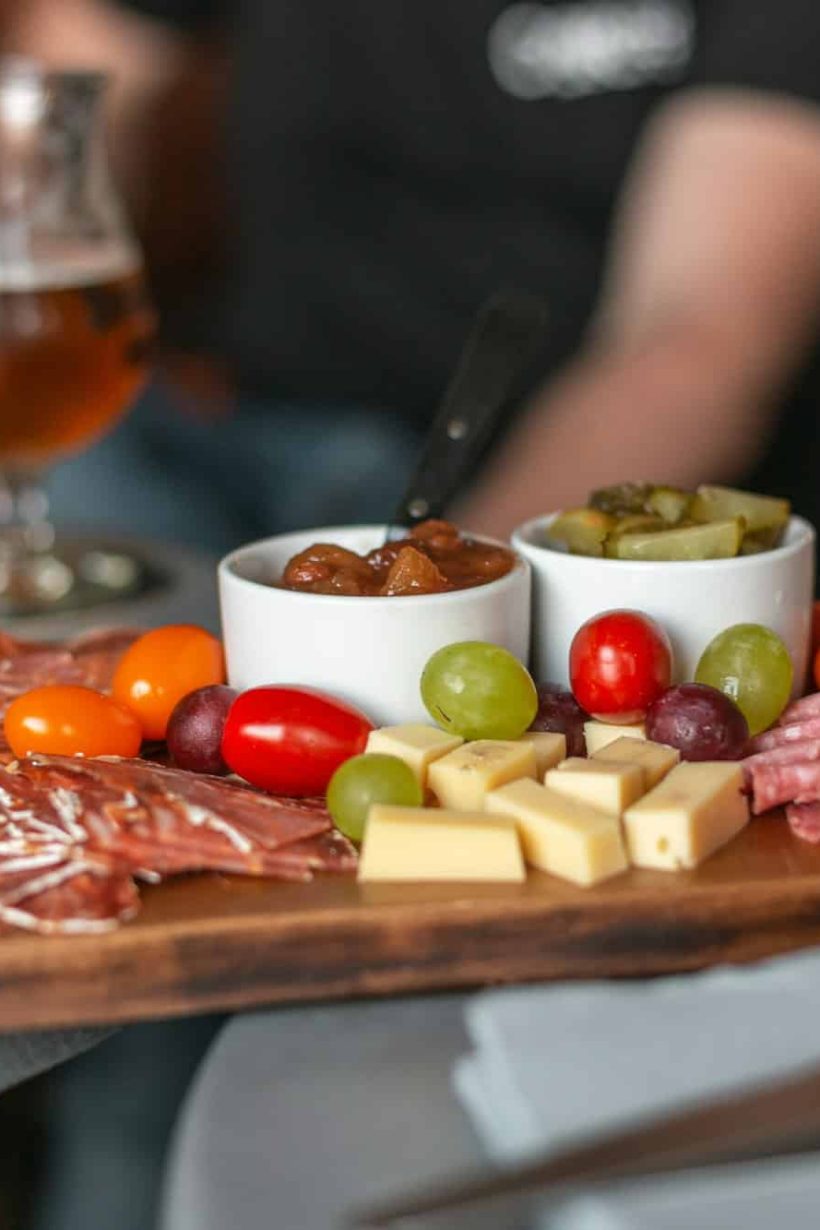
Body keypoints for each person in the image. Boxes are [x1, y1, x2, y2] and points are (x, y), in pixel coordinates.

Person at [0, 3, 819, 1229]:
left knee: (213, 914)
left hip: (485, 488)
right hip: (208, 436)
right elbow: (83, 69)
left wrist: (428, 586)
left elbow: (694, 338)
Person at [4, 0, 820, 554]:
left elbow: (700, 344)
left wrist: (440, 584)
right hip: (231, 442)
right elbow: (66, 83)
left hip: (512, 494)